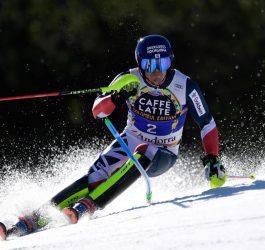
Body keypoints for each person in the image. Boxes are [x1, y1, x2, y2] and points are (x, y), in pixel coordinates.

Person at [0, 34, 226, 240]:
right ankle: (28, 222)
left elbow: (207, 123)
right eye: (149, 65)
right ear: (140, 63)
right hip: (129, 140)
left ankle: (88, 206)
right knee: (95, 178)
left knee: (144, 151)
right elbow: (98, 112)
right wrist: (117, 97)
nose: (157, 72)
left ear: (171, 61)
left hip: (164, 153)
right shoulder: (128, 79)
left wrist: (212, 158)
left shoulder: (185, 86)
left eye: (163, 63)